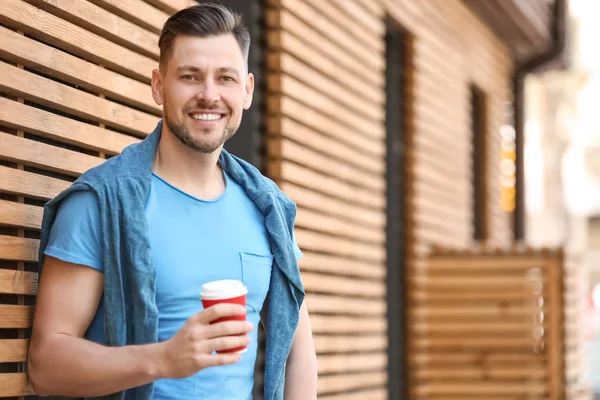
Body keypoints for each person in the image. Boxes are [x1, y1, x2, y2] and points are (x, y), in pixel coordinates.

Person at [27, 3, 317, 399]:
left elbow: (299, 348)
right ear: (159, 85)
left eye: (225, 78)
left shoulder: (267, 206)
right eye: (190, 76)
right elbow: (46, 366)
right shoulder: (102, 203)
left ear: (247, 91)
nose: (209, 95)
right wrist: (163, 359)